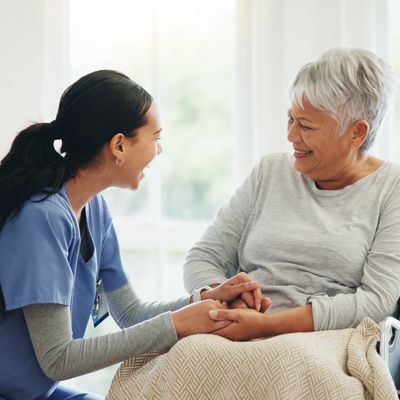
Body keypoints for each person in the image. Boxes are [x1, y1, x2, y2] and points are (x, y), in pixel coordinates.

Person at [0, 70, 264, 400]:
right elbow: (58, 358)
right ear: (119, 145)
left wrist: (206, 300)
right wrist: (178, 324)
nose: (160, 149)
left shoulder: (94, 210)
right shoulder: (41, 218)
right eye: (155, 137)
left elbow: (129, 313)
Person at [183, 47, 400, 341]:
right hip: (234, 330)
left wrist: (268, 325)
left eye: (306, 126)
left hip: (325, 344)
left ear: (357, 133)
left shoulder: (391, 188)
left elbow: (376, 301)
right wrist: (223, 295)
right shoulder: (269, 172)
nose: (291, 136)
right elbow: (203, 256)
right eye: (291, 119)